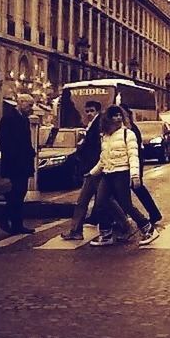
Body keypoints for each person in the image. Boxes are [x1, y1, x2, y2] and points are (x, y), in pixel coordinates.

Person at [89, 106, 159, 247]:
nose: (118, 118)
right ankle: (106, 234)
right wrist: (92, 173)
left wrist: (134, 175)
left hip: (122, 172)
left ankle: (147, 227)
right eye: (114, 116)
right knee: (101, 203)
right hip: (107, 173)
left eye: (120, 115)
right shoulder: (105, 136)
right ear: (108, 118)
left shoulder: (128, 134)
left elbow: (133, 155)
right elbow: (103, 158)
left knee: (126, 204)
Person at [61, 101, 107, 240]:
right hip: (94, 168)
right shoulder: (92, 125)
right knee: (105, 200)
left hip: (93, 169)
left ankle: (76, 231)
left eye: (91, 110)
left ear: (98, 111)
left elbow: (97, 148)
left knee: (83, 201)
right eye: (86, 111)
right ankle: (126, 225)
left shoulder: (99, 124)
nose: (88, 114)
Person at [0, 93, 37, 234]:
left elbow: (26, 141)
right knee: (16, 193)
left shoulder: (25, 120)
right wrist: (16, 154)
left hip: (23, 163)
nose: (31, 108)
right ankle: (4, 217)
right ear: (20, 102)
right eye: (29, 105)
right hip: (14, 164)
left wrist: (31, 151)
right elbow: (3, 139)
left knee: (20, 193)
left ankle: (17, 224)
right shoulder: (8, 118)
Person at [121, 106, 163, 224]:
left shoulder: (131, 129)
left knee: (136, 189)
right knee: (133, 190)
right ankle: (153, 213)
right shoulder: (129, 128)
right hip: (133, 162)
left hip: (133, 163)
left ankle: (151, 215)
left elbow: (135, 149)